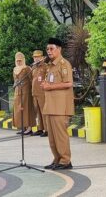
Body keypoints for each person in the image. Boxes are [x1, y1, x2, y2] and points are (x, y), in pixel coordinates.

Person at [41, 38, 74, 170]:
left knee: (60, 136)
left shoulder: (64, 64)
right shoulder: (50, 66)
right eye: (47, 49)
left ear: (59, 49)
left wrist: (50, 87)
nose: (49, 51)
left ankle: (66, 161)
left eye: (51, 49)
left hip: (60, 107)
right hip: (50, 106)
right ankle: (57, 159)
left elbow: (69, 83)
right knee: (52, 138)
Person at [12, 52, 36, 135]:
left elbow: (31, 80)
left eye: (20, 60)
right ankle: (23, 127)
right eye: (17, 61)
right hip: (17, 93)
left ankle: (29, 128)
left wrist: (32, 91)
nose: (19, 62)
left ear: (23, 60)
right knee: (18, 110)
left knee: (27, 110)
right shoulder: (14, 69)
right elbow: (14, 80)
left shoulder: (27, 68)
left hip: (26, 93)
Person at [31, 50, 48, 137]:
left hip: (42, 93)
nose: (36, 58)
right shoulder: (33, 67)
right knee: (37, 112)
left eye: (38, 57)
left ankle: (47, 129)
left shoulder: (45, 66)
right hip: (35, 93)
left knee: (43, 111)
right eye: (35, 57)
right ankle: (40, 128)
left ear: (42, 57)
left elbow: (47, 78)